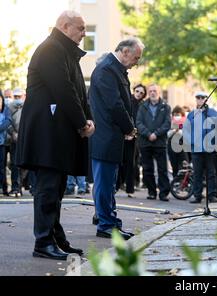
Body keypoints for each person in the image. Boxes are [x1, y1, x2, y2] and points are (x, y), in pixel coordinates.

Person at [16, 11, 95, 260]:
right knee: (48, 189)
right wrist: (82, 123)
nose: (84, 34)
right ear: (65, 26)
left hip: (53, 133)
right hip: (46, 135)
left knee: (56, 189)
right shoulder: (52, 49)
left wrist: (87, 118)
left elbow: (78, 91)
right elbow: (64, 90)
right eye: (81, 29)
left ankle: (55, 238)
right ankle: (43, 242)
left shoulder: (63, 51)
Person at [89, 38, 143, 240]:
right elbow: (115, 104)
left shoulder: (113, 69)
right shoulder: (107, 70)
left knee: (109, 182)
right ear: (126, 51)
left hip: (110, 135)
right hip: (105, 135)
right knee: (104, 183)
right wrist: (129, 128)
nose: (137, 61)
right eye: (136, 57)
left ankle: (110, 221)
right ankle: (106, 224)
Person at [183, 91, 217, 204]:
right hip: (196, 149)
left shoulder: (213, 113)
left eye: (202, 97)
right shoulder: (191, 114)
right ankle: (197, 195)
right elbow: (186, 131)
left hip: (210, 148)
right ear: (196, 100)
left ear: (206, 99)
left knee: (211, 173)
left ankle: (212, 195)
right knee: (197, 173)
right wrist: (192, 142)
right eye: (198, 98)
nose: (200, 99)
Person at [136, 83, 171, 201]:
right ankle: (151, 192)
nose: (152, 93)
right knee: (147, 169)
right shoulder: (142, 106)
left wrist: (156, 134)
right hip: (145, 143)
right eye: (150, 91)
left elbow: (167, 124)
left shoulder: (165, 107)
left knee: (162, 169)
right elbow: (139, 123)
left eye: (154, 91)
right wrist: (148, 134)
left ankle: (163, 193)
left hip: (159, 142)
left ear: (159, 92)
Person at [116, 84, 147, 197]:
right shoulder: (126, 101)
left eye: (141, 93)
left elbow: (141, 121)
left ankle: (130, 188)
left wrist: (134, 133)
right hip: (123, 135)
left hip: (134, 137)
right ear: (133, 91)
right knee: (119, 161)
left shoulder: (143, 106)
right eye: (137, 91)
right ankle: (117, 185)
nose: (138, 94)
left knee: (131, 163)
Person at [167, 106, 188, 178]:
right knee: (174, 166)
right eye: (175, 115)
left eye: (178, 115)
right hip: (172, 147)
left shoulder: (184, 123)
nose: (176, 117)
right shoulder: (170, 123)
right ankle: (175, 182)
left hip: (182, 147)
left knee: (183, 166)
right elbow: (167, 135)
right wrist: (174, 130)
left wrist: (180, 130)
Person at [0, 93, 12, 196]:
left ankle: (4, 189)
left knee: (2, 167)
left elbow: (8, 121)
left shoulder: (6, 109)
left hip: (2, 143)